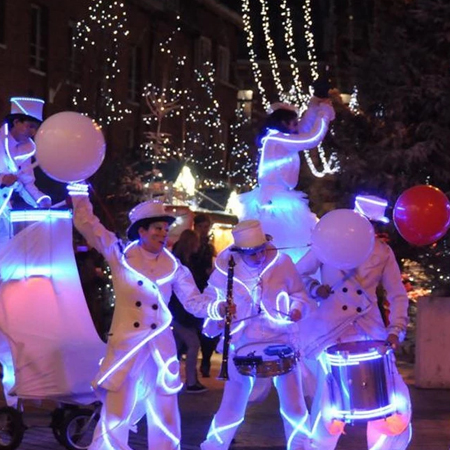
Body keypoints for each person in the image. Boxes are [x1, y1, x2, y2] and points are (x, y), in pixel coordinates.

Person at [68, 183, 220, 450]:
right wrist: (79, 192)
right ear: (141, 231)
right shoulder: (119, 255)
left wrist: (215, 308)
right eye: (157, 228)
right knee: (116, 413)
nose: (164, 234)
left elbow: (194, 302)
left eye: (165, 228)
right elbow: (88, 224)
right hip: (128, 347)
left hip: (161, 350)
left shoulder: (175, 267)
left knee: (165, 414)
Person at [295, 195, 412, 450]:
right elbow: (297, 275)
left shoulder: (382, 253)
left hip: (372, 332)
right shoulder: (326, 245)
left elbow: (397, 294)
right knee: (330, 407)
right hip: (331, 333)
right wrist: (315, 288)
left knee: (391, 404)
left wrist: (396, 329)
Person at [200, 219, 314, 450]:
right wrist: (221, 310)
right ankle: (214, 445)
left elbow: (300, 294)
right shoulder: (226, 270)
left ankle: (301, 446)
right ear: (240, 252)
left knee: (294, 405)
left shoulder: (283, 263)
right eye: (253, 254)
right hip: (242, 344)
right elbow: (208, 301)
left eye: (262, 251)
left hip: (281, 342)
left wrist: (296, 309)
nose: (260, 257)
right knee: (232, 406)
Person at [236, 96, 335, 263]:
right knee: (286, 236)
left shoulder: (277, 139)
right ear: (284, 123)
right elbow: (311, 138)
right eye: (293, 123)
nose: (296, 127)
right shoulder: (277, 140)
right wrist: (323, 113)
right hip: (276, 200)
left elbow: (304, 130)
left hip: (276, 196)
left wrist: (313, 108)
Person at [0, 97, 51, 408]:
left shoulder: (24, 150)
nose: (31, 132)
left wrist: (41, 200)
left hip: (3, 220)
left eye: (35, 127)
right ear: (16, 121)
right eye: (29, 125)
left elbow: (26, 183)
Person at [169, 229, 207, 393]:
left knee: (176, 346)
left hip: (179, 310)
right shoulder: (184, 264)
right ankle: (191, 381)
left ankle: (173, 379)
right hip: (181, 311)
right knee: (193, 344)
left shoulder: (181, 261)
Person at [192, 213, 218, 378]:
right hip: (192, 290)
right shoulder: (189, 244)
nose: (203, 230)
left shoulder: (209, 248)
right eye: (201, 226)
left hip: (205, 290)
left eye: (206, 227)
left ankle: (206, 360)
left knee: (207, 328)